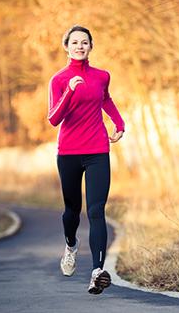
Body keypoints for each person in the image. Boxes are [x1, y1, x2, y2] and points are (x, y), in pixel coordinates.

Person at [47, 25, 125, 295]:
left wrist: (119, 122)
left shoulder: (102, 76)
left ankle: (96, 272)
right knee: (72, 211)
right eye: (75, 42)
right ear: (66, 47)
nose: (80, 46)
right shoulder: (58, 80)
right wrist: (69, 91)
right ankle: (70, 247)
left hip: (97, 151)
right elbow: (54, 118)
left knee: (96, 210)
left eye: (85, 42)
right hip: (68, 152)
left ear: (91, 46)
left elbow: (106, 100)